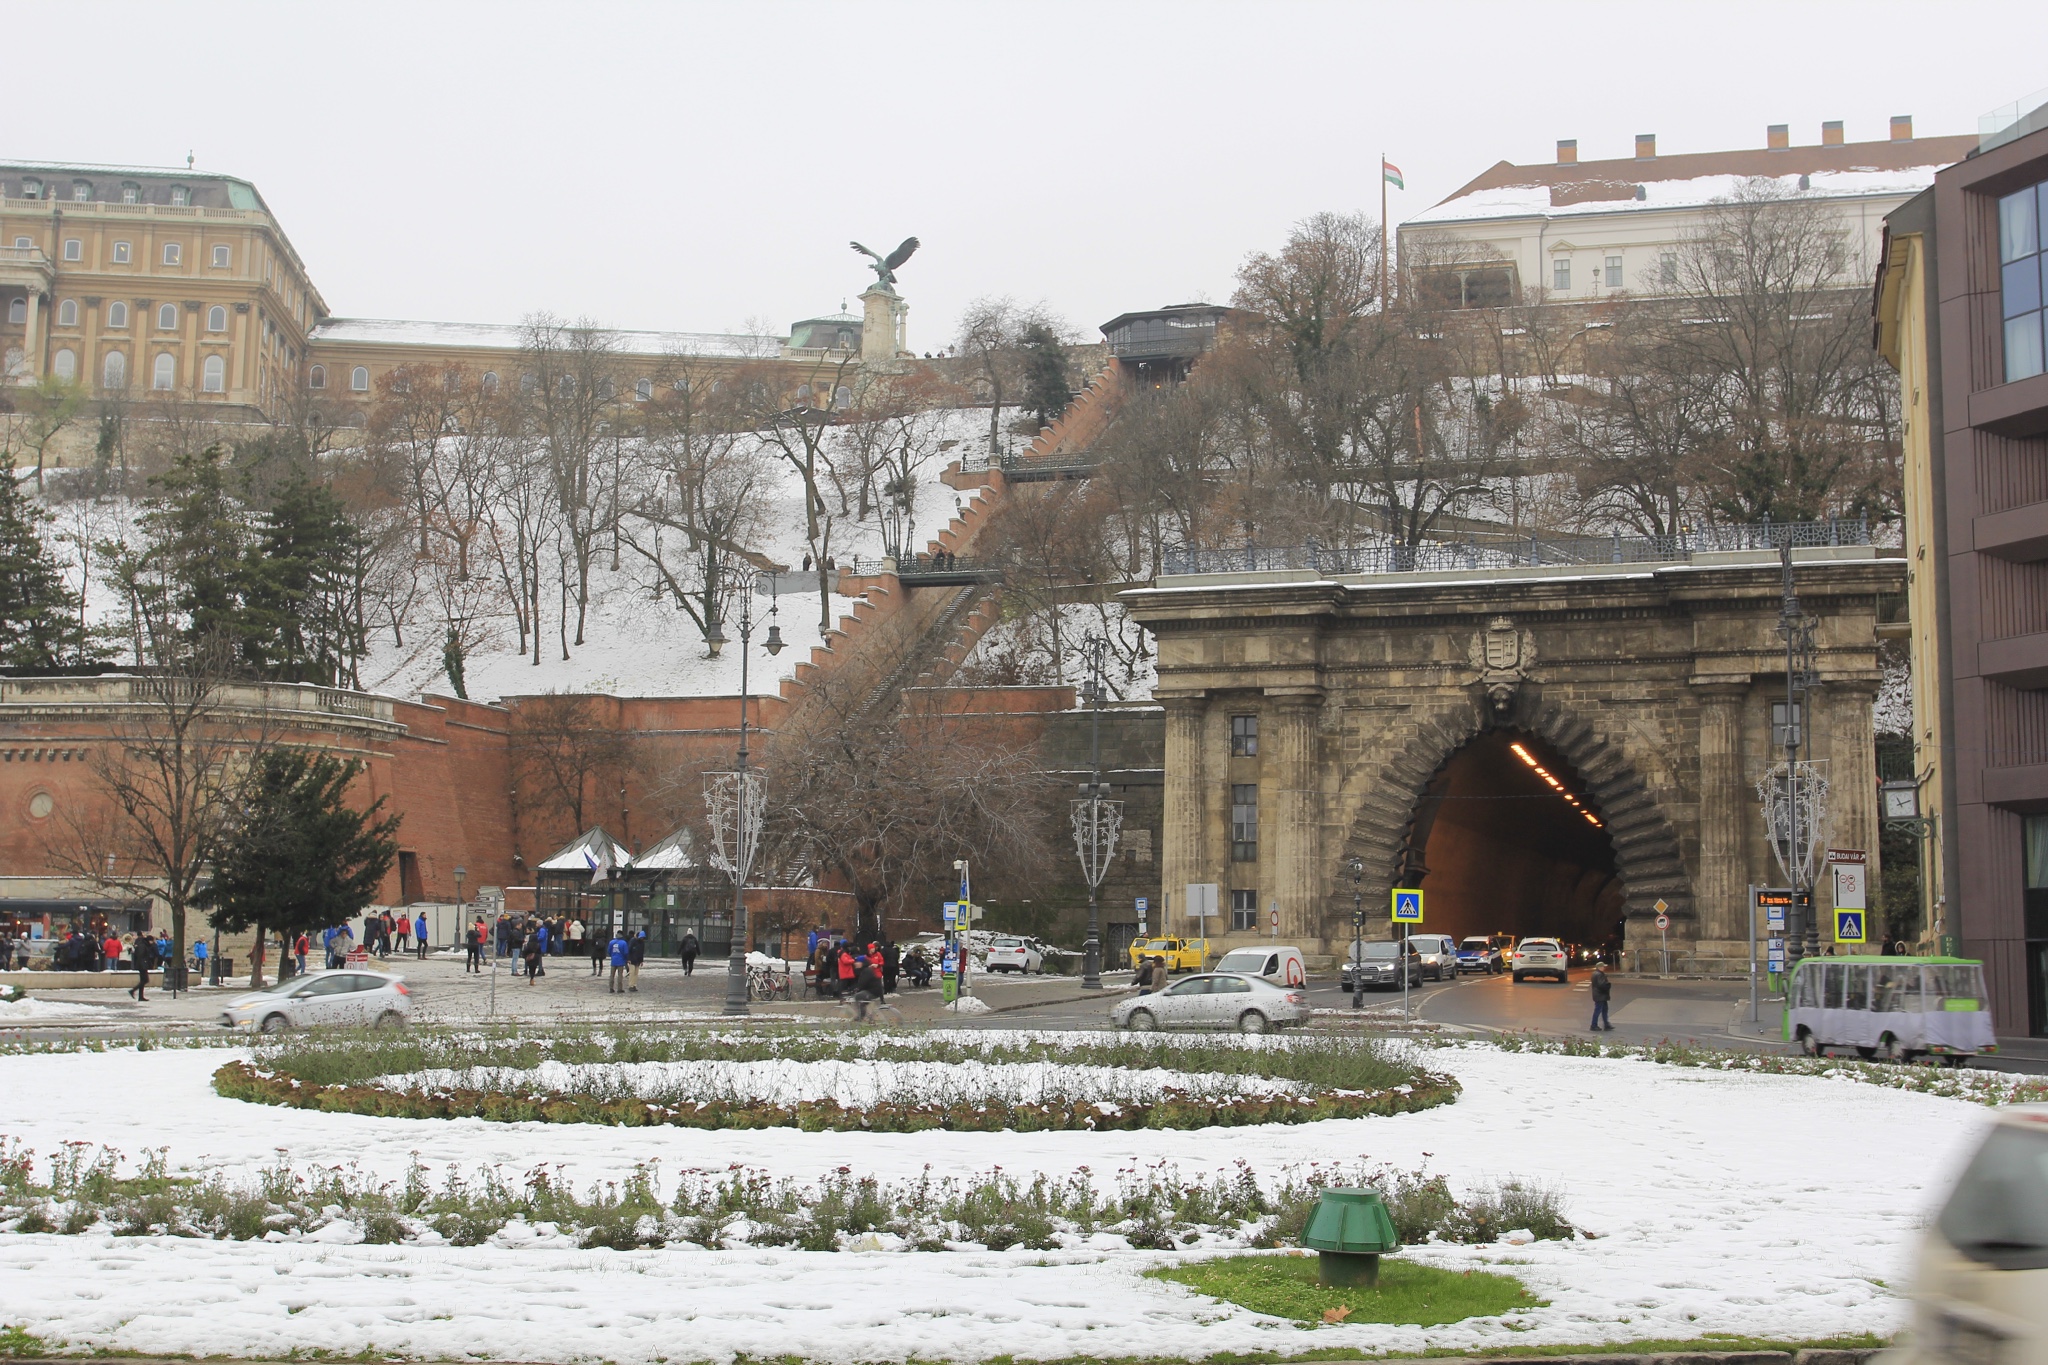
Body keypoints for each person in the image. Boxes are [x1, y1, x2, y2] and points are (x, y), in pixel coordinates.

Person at [128, 931, 156, 1001]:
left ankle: (140, 996)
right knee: (145, 980)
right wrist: (144, 963)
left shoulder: (143, 944)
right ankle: (133, 990)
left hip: (142, 964)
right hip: (142, 965)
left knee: (143, 980)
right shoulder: (143, 945)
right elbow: (140, 955)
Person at [1589, 965, 1614, 1032]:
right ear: (1599, 967)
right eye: (1603, 967)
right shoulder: (1600, 974)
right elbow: (1602, 985)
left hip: (1599, 995)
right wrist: (1608, 985)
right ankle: (1594, 1025)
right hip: (1601, 995)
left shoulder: (1595, 973)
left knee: (1603, 1010)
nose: (1604, 968)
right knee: (1599, 1010)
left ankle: (1606, 1024)